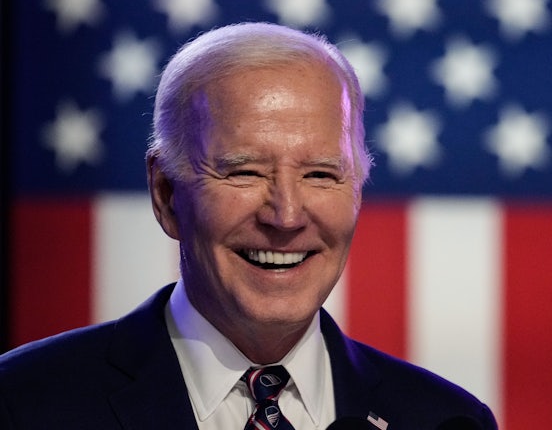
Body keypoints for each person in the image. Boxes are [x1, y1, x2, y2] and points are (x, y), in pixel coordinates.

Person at [0, 22, 497, 429]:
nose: (286, 216)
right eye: (245, 172)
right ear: (166, 194)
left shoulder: (444, 420)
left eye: (321, 175)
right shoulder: (22, 404)